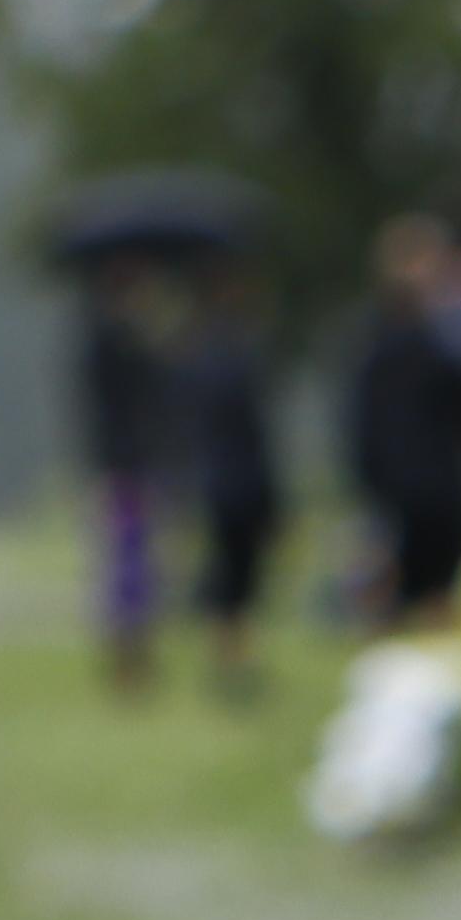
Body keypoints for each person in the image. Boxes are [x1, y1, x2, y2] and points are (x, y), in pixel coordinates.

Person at [341, 218, 461, 628]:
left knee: (427, 591)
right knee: (410, 591)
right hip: (412, 488)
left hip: (426, 486)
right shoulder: (421, 344)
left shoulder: (436, 340)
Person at [68, 259, 187, 700]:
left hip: (139, 467)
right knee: (124, 568)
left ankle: (138, 656)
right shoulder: (107, 342)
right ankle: (125, 660)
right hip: (122, 468)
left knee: (144, 568)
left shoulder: (134, 342)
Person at [174, 269, 289, 703]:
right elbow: (256, 433)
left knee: (225, 573)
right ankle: (236, 658)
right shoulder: (242, 360)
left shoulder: (192, 360)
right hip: (242, 481)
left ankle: (228, 657)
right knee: (240, 576)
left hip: (211, 482)